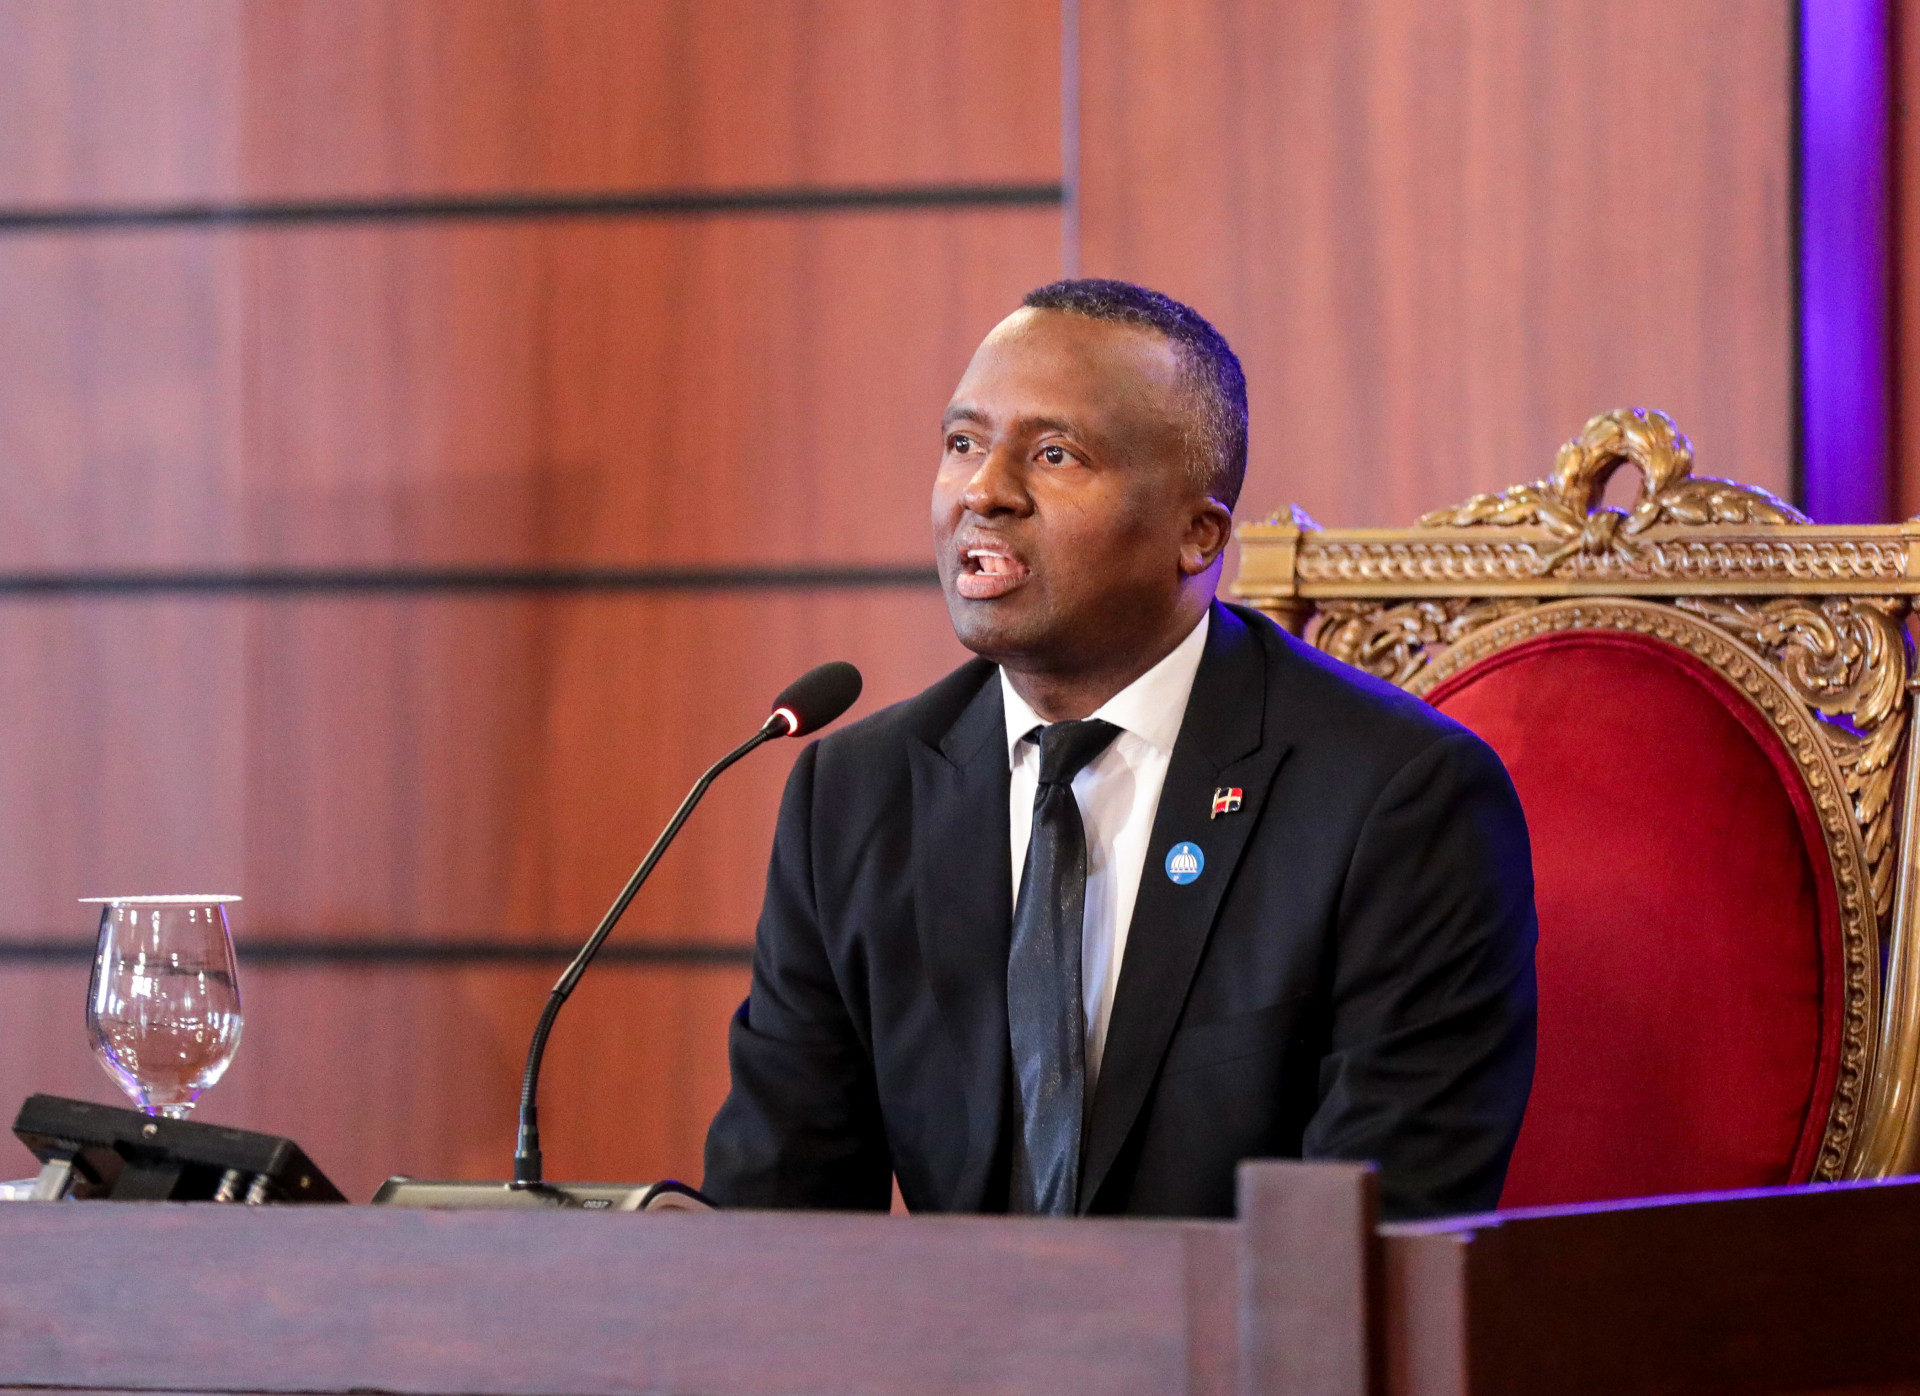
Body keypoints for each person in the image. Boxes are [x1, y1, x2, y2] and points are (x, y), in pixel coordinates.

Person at [703, 279, 1536, 1220]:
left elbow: (1374, 1235)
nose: (983, 491)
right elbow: (778, 1207)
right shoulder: (856, 795)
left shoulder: (1395, 799)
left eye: (1054, 454)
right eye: (963, 443)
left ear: (1197, 535)